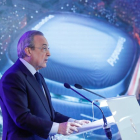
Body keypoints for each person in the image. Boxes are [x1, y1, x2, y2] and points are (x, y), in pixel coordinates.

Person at [0, 30, 90, 140]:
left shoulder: (38, 76)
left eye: (48, 48)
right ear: (28, 51)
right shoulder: (13, 77)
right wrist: (58, 128)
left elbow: (50, 114)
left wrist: (73, 122)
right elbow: (22, 118)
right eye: (44, 48)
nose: (48, 53)